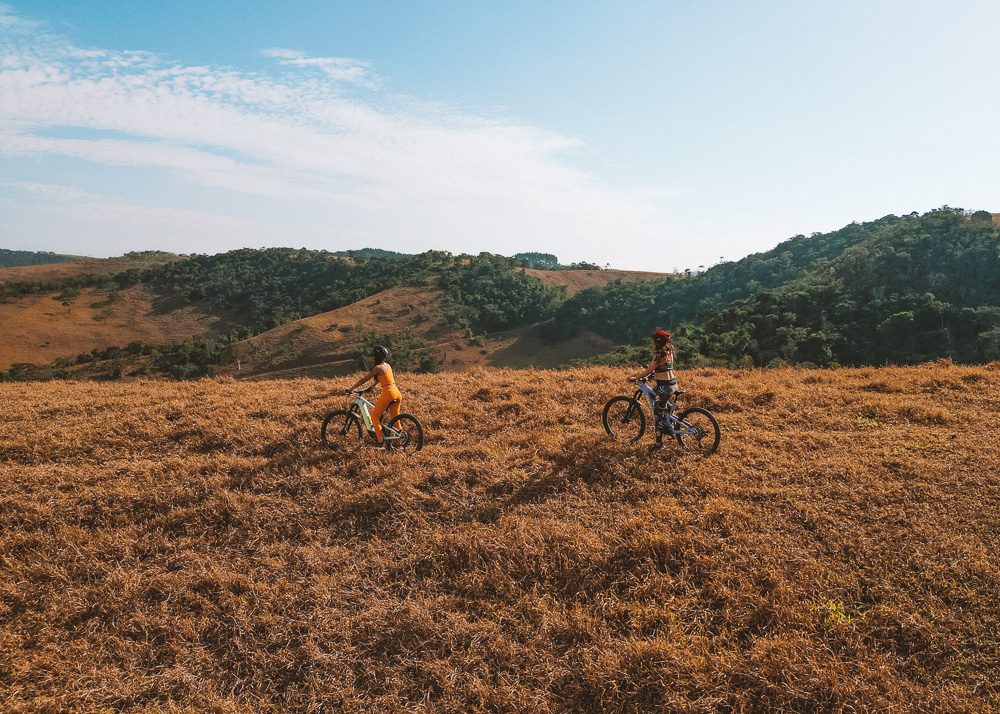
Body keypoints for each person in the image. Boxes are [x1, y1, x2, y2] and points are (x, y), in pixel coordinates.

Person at [346, 345, 402, 449]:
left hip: (388, 392)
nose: (372, 358)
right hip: (397, 392)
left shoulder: (377, 368)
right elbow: (382, 378)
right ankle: (398, 443)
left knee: (374, 417)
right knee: (395, 419)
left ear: (377, 357)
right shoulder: (387, 365)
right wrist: (372, 386)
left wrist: (351, 388)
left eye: (373, 356)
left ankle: (380, 443)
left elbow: (364, 379)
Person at [631, 329, 678, 451]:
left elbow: (649, 369)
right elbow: (663, 368)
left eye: (653, 341)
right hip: (672, 384)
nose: (652, 343)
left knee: (657, 416)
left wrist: (636, 377)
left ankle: (658, 443)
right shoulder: (669, 352)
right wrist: (652, 375)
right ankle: (668, 422)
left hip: (664, 387)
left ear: (657, 342)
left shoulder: (658, 355)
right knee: (656, 397)